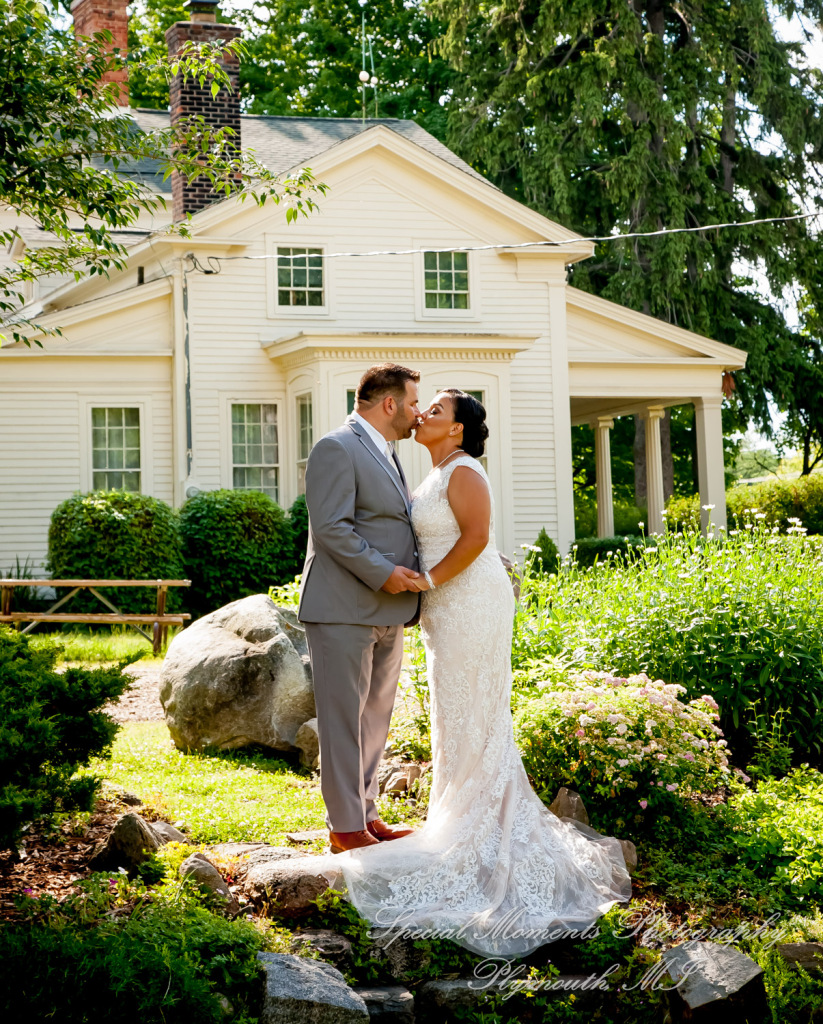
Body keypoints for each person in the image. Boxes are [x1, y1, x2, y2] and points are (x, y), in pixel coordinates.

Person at [312, 389, 632, 958]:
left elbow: (478, 538)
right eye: (421, 405)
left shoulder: (464, 472)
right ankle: (456, 815)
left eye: (435, 410)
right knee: (452, 712)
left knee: (476, 710)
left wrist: (428, 582)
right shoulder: (429, 469)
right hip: (441, 612)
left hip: (469, 604)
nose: (422, 414)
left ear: (457, 430)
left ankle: (483, 826)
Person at [298, 363, 425, 854]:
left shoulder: (387, 451)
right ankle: (344, 827)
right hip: (342, 609)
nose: (418, 413)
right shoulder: (336, 447)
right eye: (414, 403)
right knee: (342, 721)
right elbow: (331, 528)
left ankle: (366, 816)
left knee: (374, 720)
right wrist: (386, 573)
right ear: (389, 403)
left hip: (389, 612)